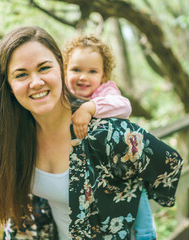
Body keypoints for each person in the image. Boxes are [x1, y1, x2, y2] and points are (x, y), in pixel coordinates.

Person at [0, 26, 183, 240]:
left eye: (43, 68)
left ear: (60, 67)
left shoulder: (103, 132)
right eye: (21, 74)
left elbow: (169, 164)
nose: (36, 82)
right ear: (9, 86)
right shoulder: (15, 139)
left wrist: (124, 195)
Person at [63, 35, 156, 239]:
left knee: (137, 204)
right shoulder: (63, 97)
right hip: (94, 179)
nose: (83, 77)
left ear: (103, 75)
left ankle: (147, 235)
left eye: (92, 71)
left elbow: (125, 106)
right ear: (64, 70)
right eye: (76, 69)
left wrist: (89, 108)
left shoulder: (106, 92)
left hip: (123, 168)